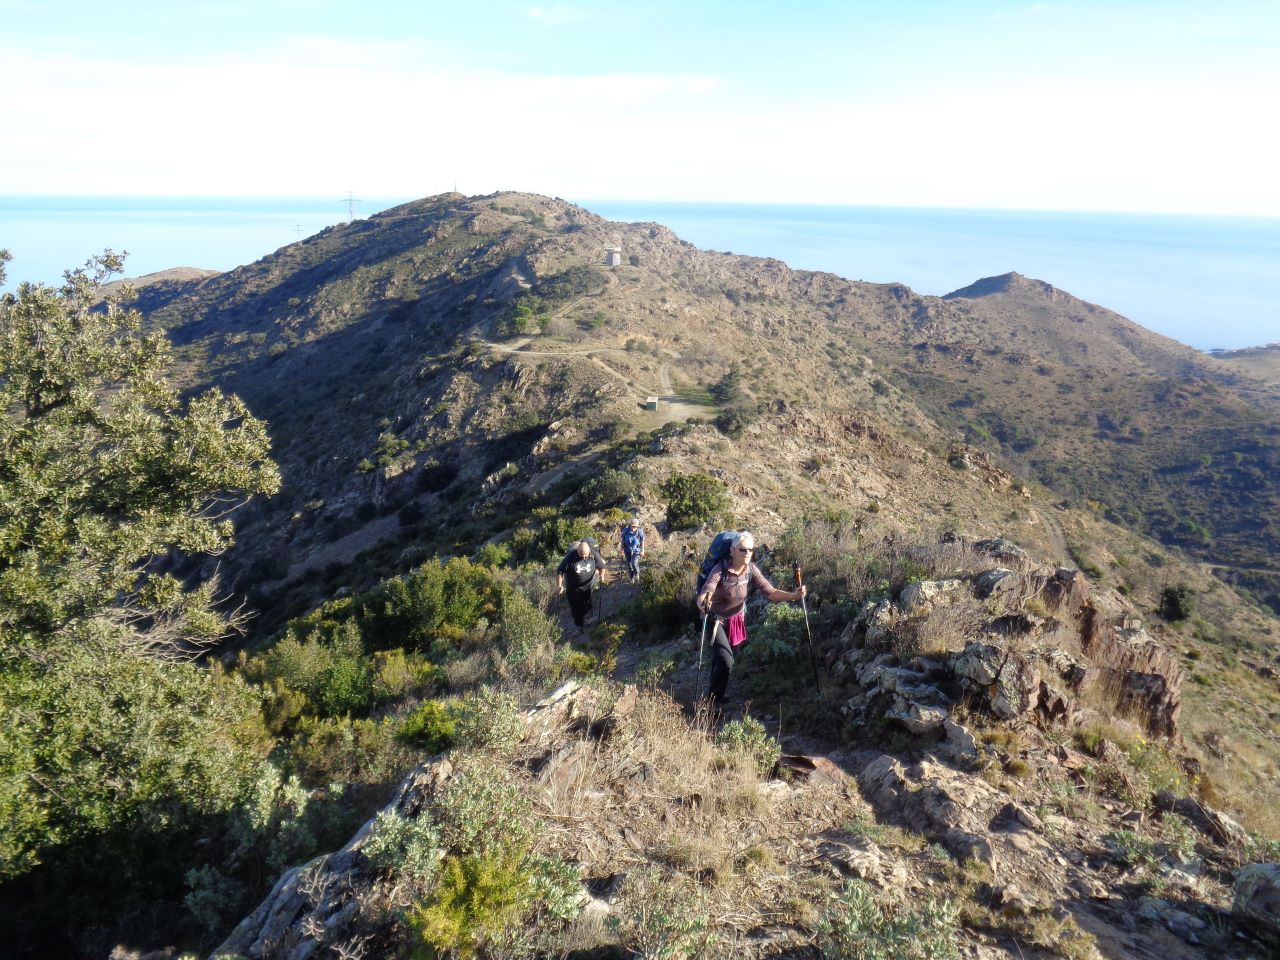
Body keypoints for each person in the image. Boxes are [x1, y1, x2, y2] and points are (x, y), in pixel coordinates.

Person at [695, 531, 805, 708]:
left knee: (722, 658)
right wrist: (702, 601)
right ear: (732, 550)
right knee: (726, 660)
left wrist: (794, 596)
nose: (747, 553)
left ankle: (716, 695)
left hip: (735, 620)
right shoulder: (720, 569)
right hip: (715, 620)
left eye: (750, 549)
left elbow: (771, 593)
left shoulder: (751, 570)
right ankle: (712, 702)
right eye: (742, 549)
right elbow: (708, 588)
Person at [556, 539, 605, 637]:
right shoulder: (571, 557)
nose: (583, 557)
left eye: (585, 555)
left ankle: (586, 619)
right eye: (581, 555)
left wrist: (601, 576)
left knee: (587, 605)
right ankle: (580, 627)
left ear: (589, 551)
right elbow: (560, 571)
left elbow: (602, 566)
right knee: (576, 609)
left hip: (587, 587)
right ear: (577, 551)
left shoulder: (593, 554)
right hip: (573, 588)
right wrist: (559, 586)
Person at [620, 517, 645, 583]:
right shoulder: (626, 530)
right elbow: (622, 539)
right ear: (630, 525)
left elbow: (642, 541)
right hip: (627, 550)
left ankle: (637, 575)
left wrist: (643, 551)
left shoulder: (640, 531)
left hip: (636, 550)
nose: (633, 528)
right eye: (632, 526)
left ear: (637, 527)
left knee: (634, 563)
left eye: (635, 527)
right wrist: (622, 548)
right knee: (629, 565)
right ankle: (631, 578)